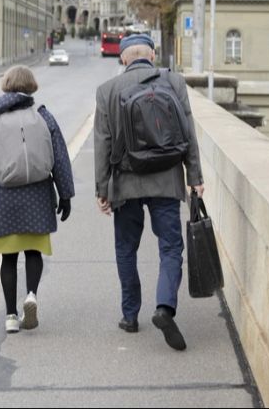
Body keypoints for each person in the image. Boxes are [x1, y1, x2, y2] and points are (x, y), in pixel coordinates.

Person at [93, 34, 203, 351]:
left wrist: (103, 189)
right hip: (166, 178)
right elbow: (188, 133)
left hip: (125, 182)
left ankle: (130, 316)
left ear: (123, 59)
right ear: (152, 56)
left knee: (126, 249)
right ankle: (164, 307)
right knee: (170, 247)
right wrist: (194, 176)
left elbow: (103, 143)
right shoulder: (175, 83)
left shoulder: (106, 91)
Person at [0, 65, 75, 334]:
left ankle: (9, 315)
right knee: (33, 251)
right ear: (31, 85)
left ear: (6, 84)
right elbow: (60, 157)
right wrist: (65, 195)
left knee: (8, 258)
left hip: (1, 194)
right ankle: (31, 294)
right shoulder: (43, 116)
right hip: (37, 192)